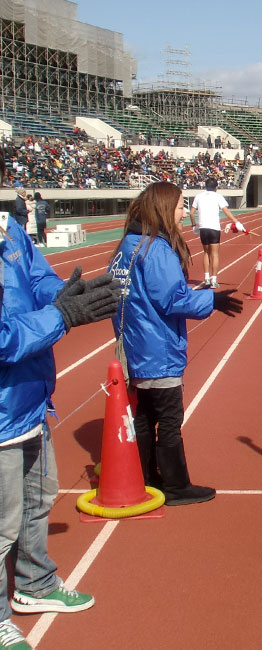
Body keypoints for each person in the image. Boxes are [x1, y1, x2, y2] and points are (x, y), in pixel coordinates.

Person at [1, 210, 122, 648]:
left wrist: (71, 296)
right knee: (1, 524)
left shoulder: (7, 228)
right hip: (1, 415)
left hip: (29, 399)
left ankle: (34, 583)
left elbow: (37, 280)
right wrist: (62, 317)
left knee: (38, 499)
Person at [108, 182, 242, 507]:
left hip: (135, 345)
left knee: (144, 416)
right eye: (182, 206)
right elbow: (172, 299)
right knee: (168, 417)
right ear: (165, 209)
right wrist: (211, 300)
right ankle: (176, 485)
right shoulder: (155, 249)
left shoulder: (128, 244)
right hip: (158, 348)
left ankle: (145, 475)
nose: (185, 212)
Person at [190, 177, 234, 289]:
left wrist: (194, 225)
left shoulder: (198, 196)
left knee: (206, 253)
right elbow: (226, 211)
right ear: (216, 187)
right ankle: (214, 279)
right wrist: (236, 221)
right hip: (214, 228)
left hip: (203, 228)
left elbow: (191, 213)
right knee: (214, 254)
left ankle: (206, 278)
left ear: (205, 186)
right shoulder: (218, 196)